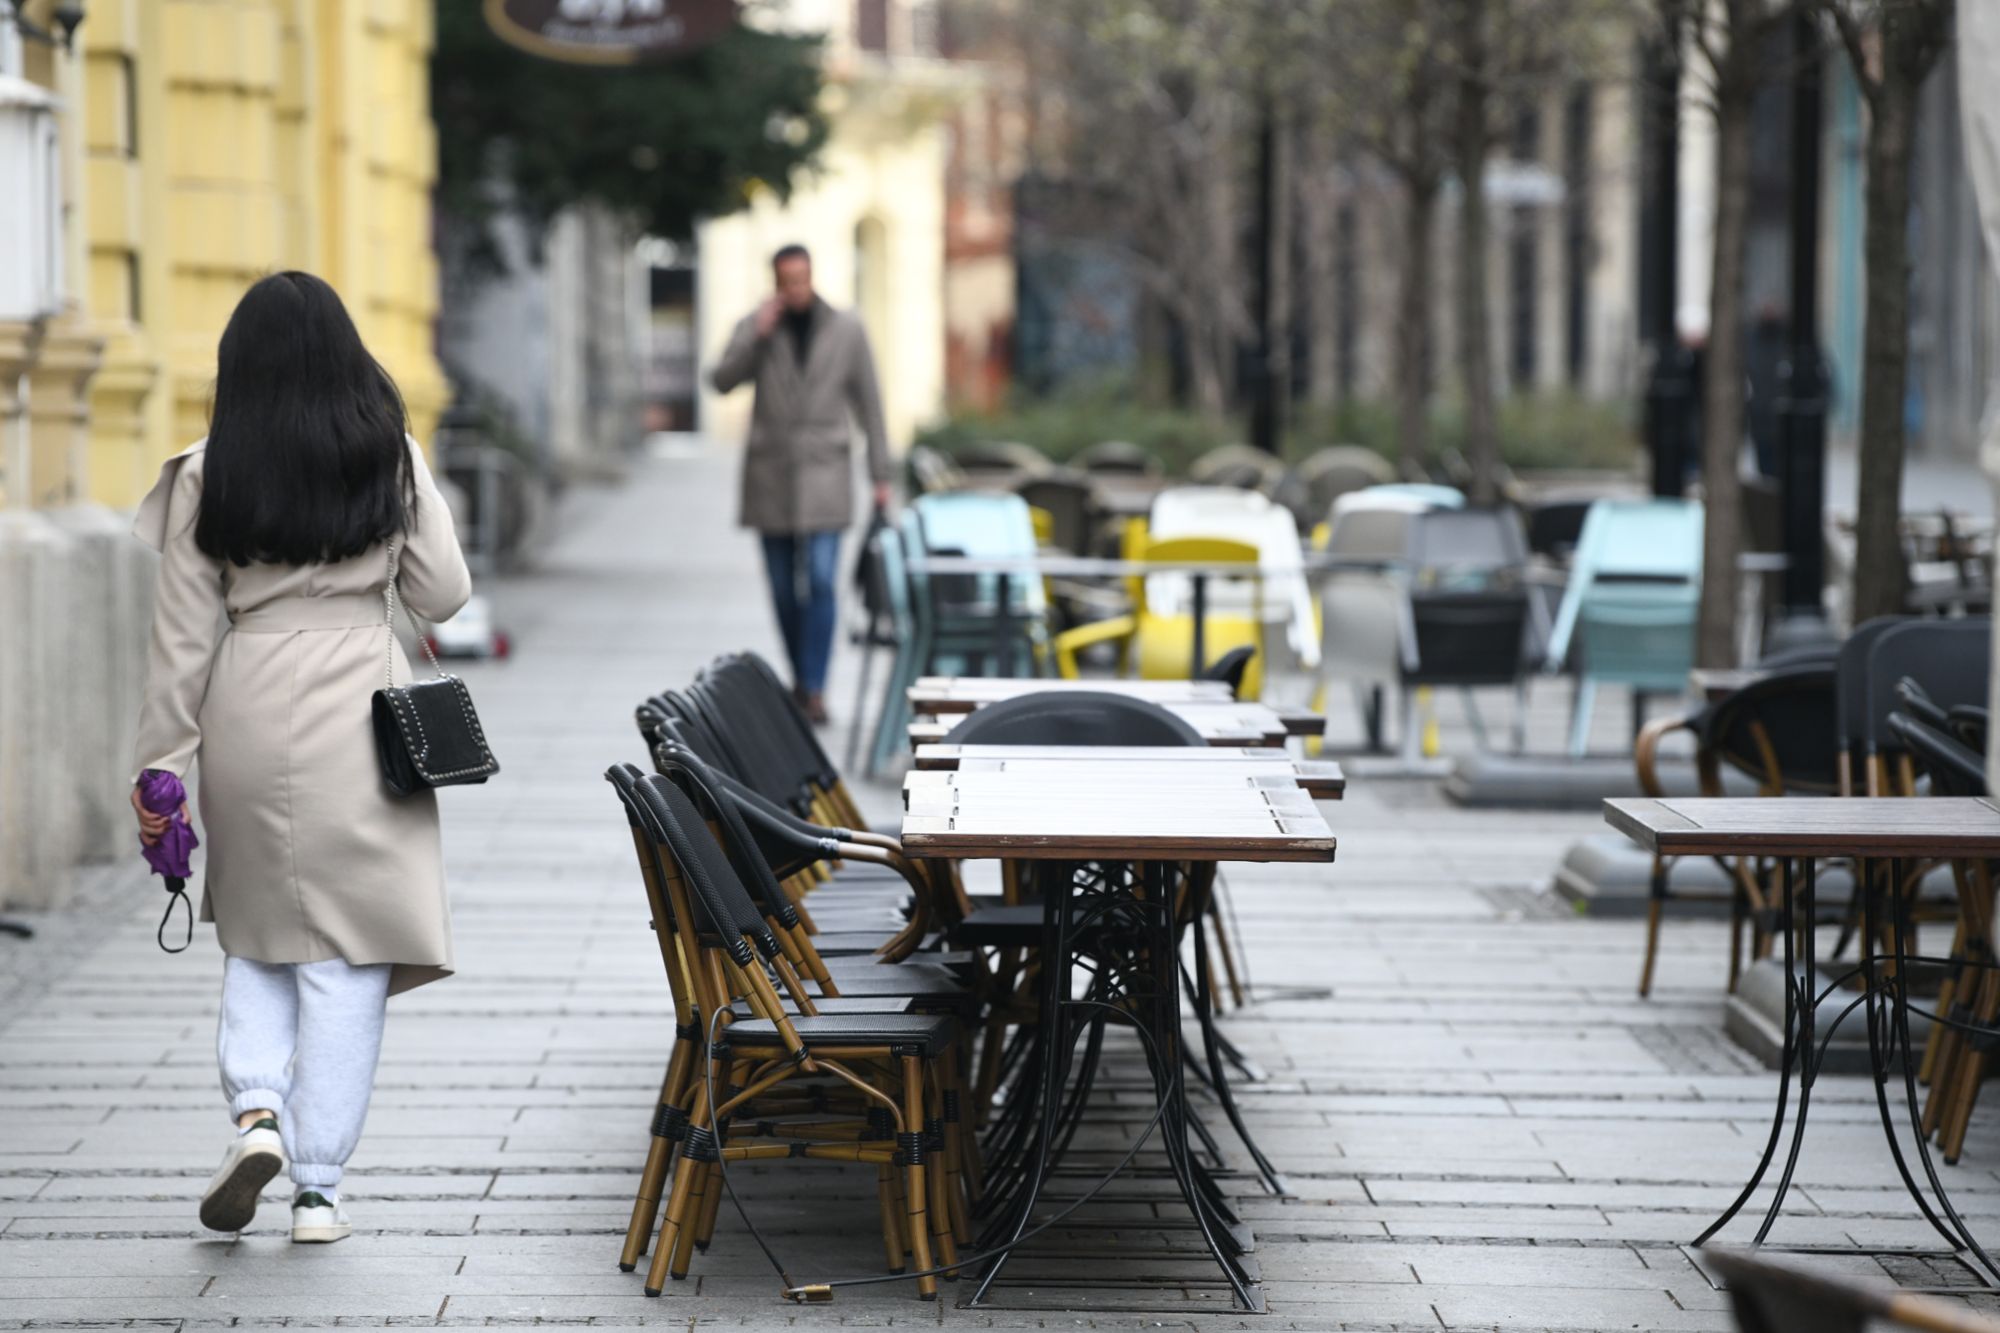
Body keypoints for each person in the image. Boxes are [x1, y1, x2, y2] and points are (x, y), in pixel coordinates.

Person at [130, 271, 472, 1244]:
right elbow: (443, 593)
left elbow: (180, 641)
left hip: (246, 700)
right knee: (351, 952)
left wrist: (160, 767)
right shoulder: (387, 457)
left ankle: (256, 1112)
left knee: (256, 930)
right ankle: (318, 1185)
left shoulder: (207, 471)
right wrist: (411, 484)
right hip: (362, 708)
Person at [710, 243, 891, 725]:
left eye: (802, 278)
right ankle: (800, 675)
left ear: (812, 276)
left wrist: (881, 475)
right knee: (783, 588)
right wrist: (757, 336)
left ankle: (814, 688)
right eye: (786, 279)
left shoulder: (846, 329)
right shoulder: (757, 327)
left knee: (822, 582)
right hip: (771, 475)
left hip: (826, 472)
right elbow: (721, 380)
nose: (795, 287)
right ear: (775, 281)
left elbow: (870, 404)